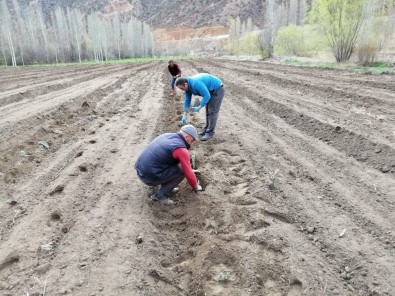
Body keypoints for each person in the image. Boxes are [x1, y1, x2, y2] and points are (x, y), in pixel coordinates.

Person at [134, 125, 202, 205]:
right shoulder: (181, 149)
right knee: (182, 171)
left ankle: (167, 188)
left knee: (176, 166)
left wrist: (189, 170)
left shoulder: (166, 136)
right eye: (192, 140)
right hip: (149, 177)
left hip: (140, 170)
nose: (192, 142)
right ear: (187, 137)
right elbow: (187, 173)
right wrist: (196, 187)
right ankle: (160, 196)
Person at [176, 73, 224, 141]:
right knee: (208, 110)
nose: (182, 90)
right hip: (209, 90)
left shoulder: (195, 83)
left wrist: (199, 107)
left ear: (185, 84)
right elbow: (187, 101)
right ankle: (206, 130)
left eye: (182, 88)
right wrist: (185, 115)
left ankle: (210, 133)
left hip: (217, 89)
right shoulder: (187, 88)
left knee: (212, 112)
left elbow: (207, 96)